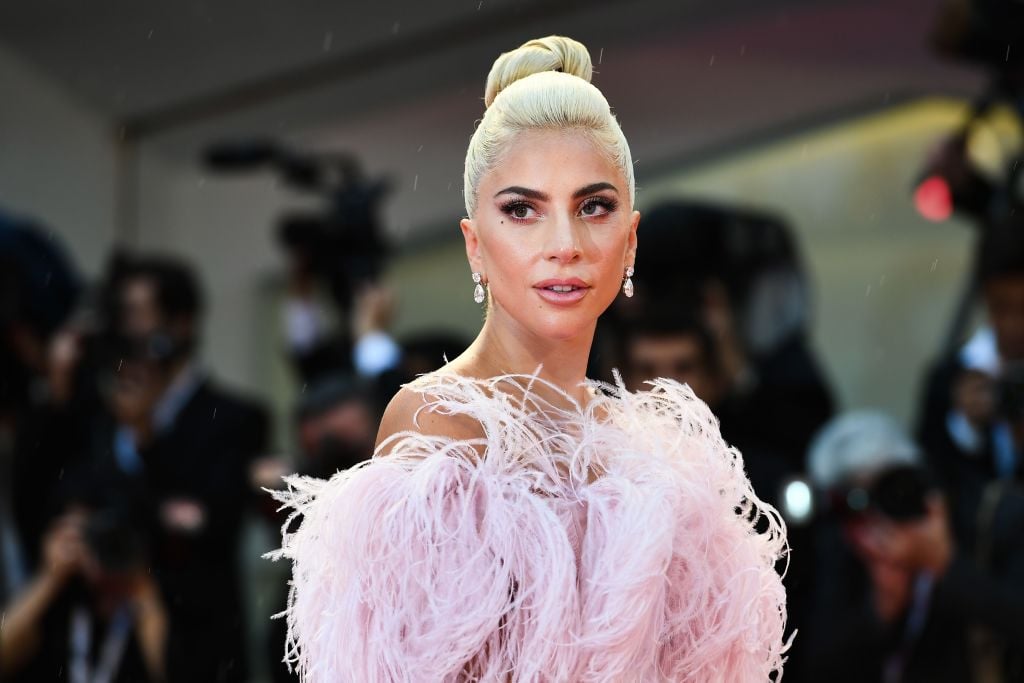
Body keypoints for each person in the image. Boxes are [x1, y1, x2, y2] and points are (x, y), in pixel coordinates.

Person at [270, 36, 788, 681]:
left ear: (630, 240)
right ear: (474, 245)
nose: (564, 244)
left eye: (593, 207)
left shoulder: (654, 450)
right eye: (522, 210)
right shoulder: (441, 425)